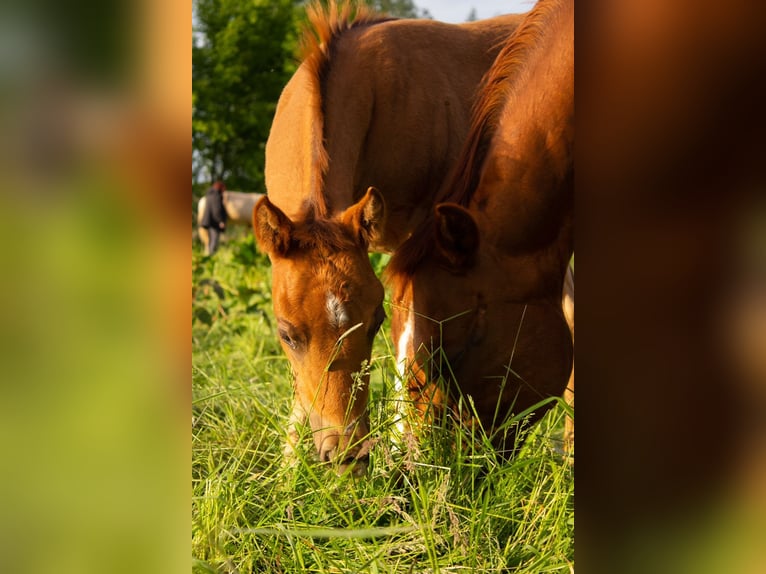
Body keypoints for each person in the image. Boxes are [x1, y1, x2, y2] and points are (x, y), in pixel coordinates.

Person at [200, 181, 228, 255]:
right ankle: (211, 257)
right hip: (215, 223)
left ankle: (208, 256)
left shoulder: (209, 195)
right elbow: (217, 210)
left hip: (209, 222)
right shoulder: (216, 197)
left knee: (210, 240)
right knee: (214, 241)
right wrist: (221, 221)